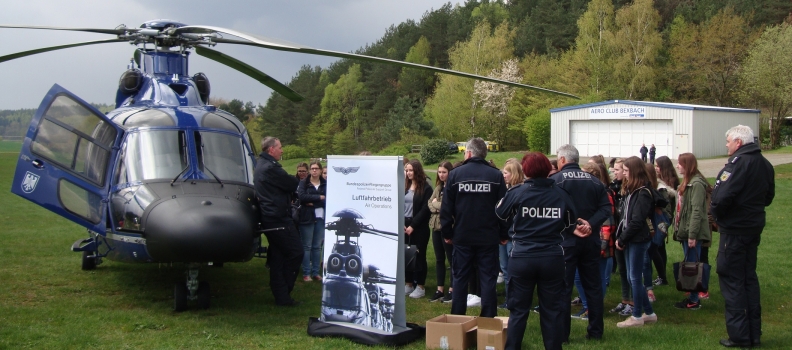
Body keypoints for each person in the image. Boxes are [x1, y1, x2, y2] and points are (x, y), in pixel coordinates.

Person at [496, 152, 586, 350]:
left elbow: (500, 212)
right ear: (547, 169)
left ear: (525, 170)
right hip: (551, 257)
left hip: (522, 257)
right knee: (552, 311)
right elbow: (571, 219)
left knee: (518, 310)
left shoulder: (518, 192)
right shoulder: (560, 193)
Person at [711, 125, 774, 348]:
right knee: (749, 278)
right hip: (753, 227)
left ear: (738, 142)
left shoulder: (737, 165)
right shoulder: (765, 164)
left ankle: (739, 335)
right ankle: (754, 333)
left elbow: (720, 198)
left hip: (735, 230)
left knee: (732, 279)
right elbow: (769, 197)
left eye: (728, 141)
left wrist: (718, 216)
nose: (726, 145)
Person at [441, 137, 507, 318]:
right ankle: (488, 319)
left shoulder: (455, 174)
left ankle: (457, 319)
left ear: (469, 153)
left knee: (460, 278)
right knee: (488, 279)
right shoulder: (495, 175)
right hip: (488, 237)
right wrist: (503, 233)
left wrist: (447, 232)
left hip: (463, 236)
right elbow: (503, 209)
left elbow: (446, 209)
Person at [551, 144, 610, 341]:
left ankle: (562, 335)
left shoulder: (555, 181)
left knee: (563, 288)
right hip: (590, 241)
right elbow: (606, 208)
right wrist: (590, 224)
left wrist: (571, 226)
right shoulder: (595, 182)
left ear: (561, 160)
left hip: (566, 242)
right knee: (593, 286)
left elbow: (553, 211)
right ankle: (596, 332)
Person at [254, 137, 303, 306]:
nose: (282, 150)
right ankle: (284, 289)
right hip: (277, 218)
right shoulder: (270, 168)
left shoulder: (261, 165)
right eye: (280, 147)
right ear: (271, 150)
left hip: (271, 216)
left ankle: (281, 296)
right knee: (295, 252)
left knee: (278, 255)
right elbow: (291, 183)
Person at [614, 156, 658, 327]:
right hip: (631, 238)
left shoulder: (643, 193)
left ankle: (637, 315)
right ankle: (649, 313)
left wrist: (623, 238)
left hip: (637, 239)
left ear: (634, 172)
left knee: (635, 278)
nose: (624, 174)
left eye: (626, 171)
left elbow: (636, 221)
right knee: (634, 278)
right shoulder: (633, 191)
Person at [672, 153, 710, 310]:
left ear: (687, 165)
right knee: (690, 264)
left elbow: (696, 211)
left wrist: (692, 235)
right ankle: (692, 294)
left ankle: (694, 300)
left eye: (680, 163)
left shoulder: (697, 184)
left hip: (691, 232)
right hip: (685, 231)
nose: (677, 166)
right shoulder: (687, 182)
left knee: (693, 266)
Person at [404, 159, 433, 299]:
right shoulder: (404, 186)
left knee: (419, 255)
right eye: (407, 170)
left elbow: (425, 209)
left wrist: (413, 226)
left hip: (419, 227)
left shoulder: (426, 188)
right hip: (404, 225)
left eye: (411, 170)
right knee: (407, 255)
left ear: (417, 171)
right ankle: (408, 283)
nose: (408, 173)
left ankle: (420, 286)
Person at [498, 159, 524, 309]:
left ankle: (516, 299)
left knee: (514, 271)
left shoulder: (520, 192)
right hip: (503, 235)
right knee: (505, 269)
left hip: (514, 237)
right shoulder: (505, 190)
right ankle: (509, 299)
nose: (504, 175)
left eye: (506, 173)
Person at [609, 158, 634, 316]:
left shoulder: (633, 190)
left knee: (632, 272)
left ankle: (633, 302)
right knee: (623, 271)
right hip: (618, 232)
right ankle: (625, 299)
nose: (616, 172)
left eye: (620, 170)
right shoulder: (616, 188)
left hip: (628, 235)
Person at [428, 161, 455, 303]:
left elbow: (447, 207)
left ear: (450, 173)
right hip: (435, 227)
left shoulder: (452, 188)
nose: (441, 174)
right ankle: (440, 289)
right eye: (439, 172)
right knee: (439, 259)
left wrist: (436, 204)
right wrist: (436, 206)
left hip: (447, 227)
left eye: (444, 172)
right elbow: (429, 203)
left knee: (451, 259)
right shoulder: (438, 188)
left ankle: (452, 289)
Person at [296, 160, 326, 282]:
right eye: (312, 168)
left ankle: (315, 272)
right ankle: (306, 272)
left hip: (320, 217)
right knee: (306, 246)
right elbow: (301, 197)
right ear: (310, 170)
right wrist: (318, 197)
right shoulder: (304, 183)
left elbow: (329, 198)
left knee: (317, 246)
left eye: (316, 168)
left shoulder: (325, 184)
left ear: (320, 170)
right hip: (307, 217)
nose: (314, 170)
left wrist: (311, 201)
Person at [652, 156, 679, 287]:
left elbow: (668, 203)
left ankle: (662, 276)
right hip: (663, 217)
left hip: (664, 217)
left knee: (657, 245)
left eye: (658, 166)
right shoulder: (661, 181)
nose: (656, 168)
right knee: (659, 246)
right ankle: (661, 275)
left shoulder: (669, 183)